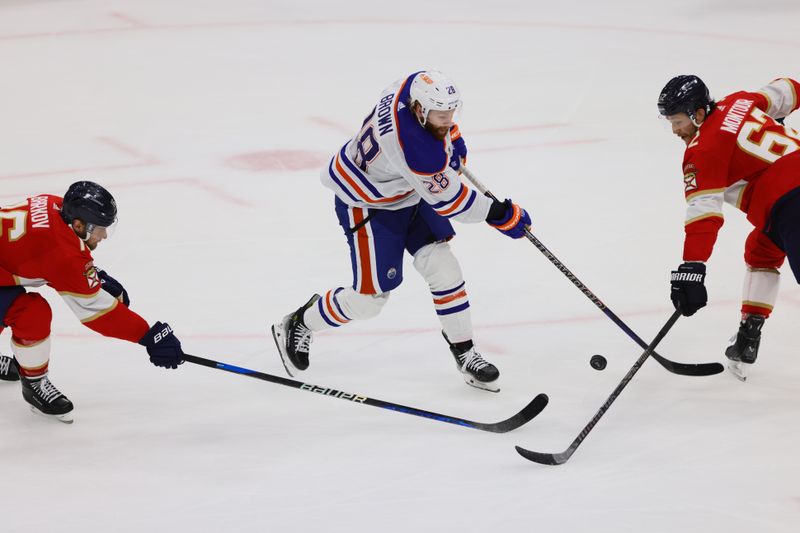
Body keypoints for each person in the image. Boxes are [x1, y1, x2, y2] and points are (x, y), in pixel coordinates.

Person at [271, 70, 531, 392]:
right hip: (367, 202)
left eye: (451, 113)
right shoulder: (415, 150)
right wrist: (501, 214)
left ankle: (465, 354)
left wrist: (453, 137)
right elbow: (453, 201)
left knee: (444, 269)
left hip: (405, 189)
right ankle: (299, 321)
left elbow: (434, 123)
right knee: (368, 301)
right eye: (440, 116)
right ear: (420, 111)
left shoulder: (410, 88)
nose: (447, 120)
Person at [0, 181, 185, 422]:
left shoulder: (53, 204)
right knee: (32, 314)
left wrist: (91, 275)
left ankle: (33, 380)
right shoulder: (62, 253)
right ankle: (35, 386)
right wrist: (149, 336)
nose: (104, 235)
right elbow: (98, 314)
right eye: (100, 228)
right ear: (78, 225)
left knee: (29, 311)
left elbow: (43, 257)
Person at [658, 75, 800, 380]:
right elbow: (788, 89)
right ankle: (749, 335)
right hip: (780, 208)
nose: (674, 130)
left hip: (791, 203)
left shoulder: (702, 150)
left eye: (679, 120)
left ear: (698, 114)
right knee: (761, 250)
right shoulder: (739, 101)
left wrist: (692, 268)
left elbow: (704, 215)